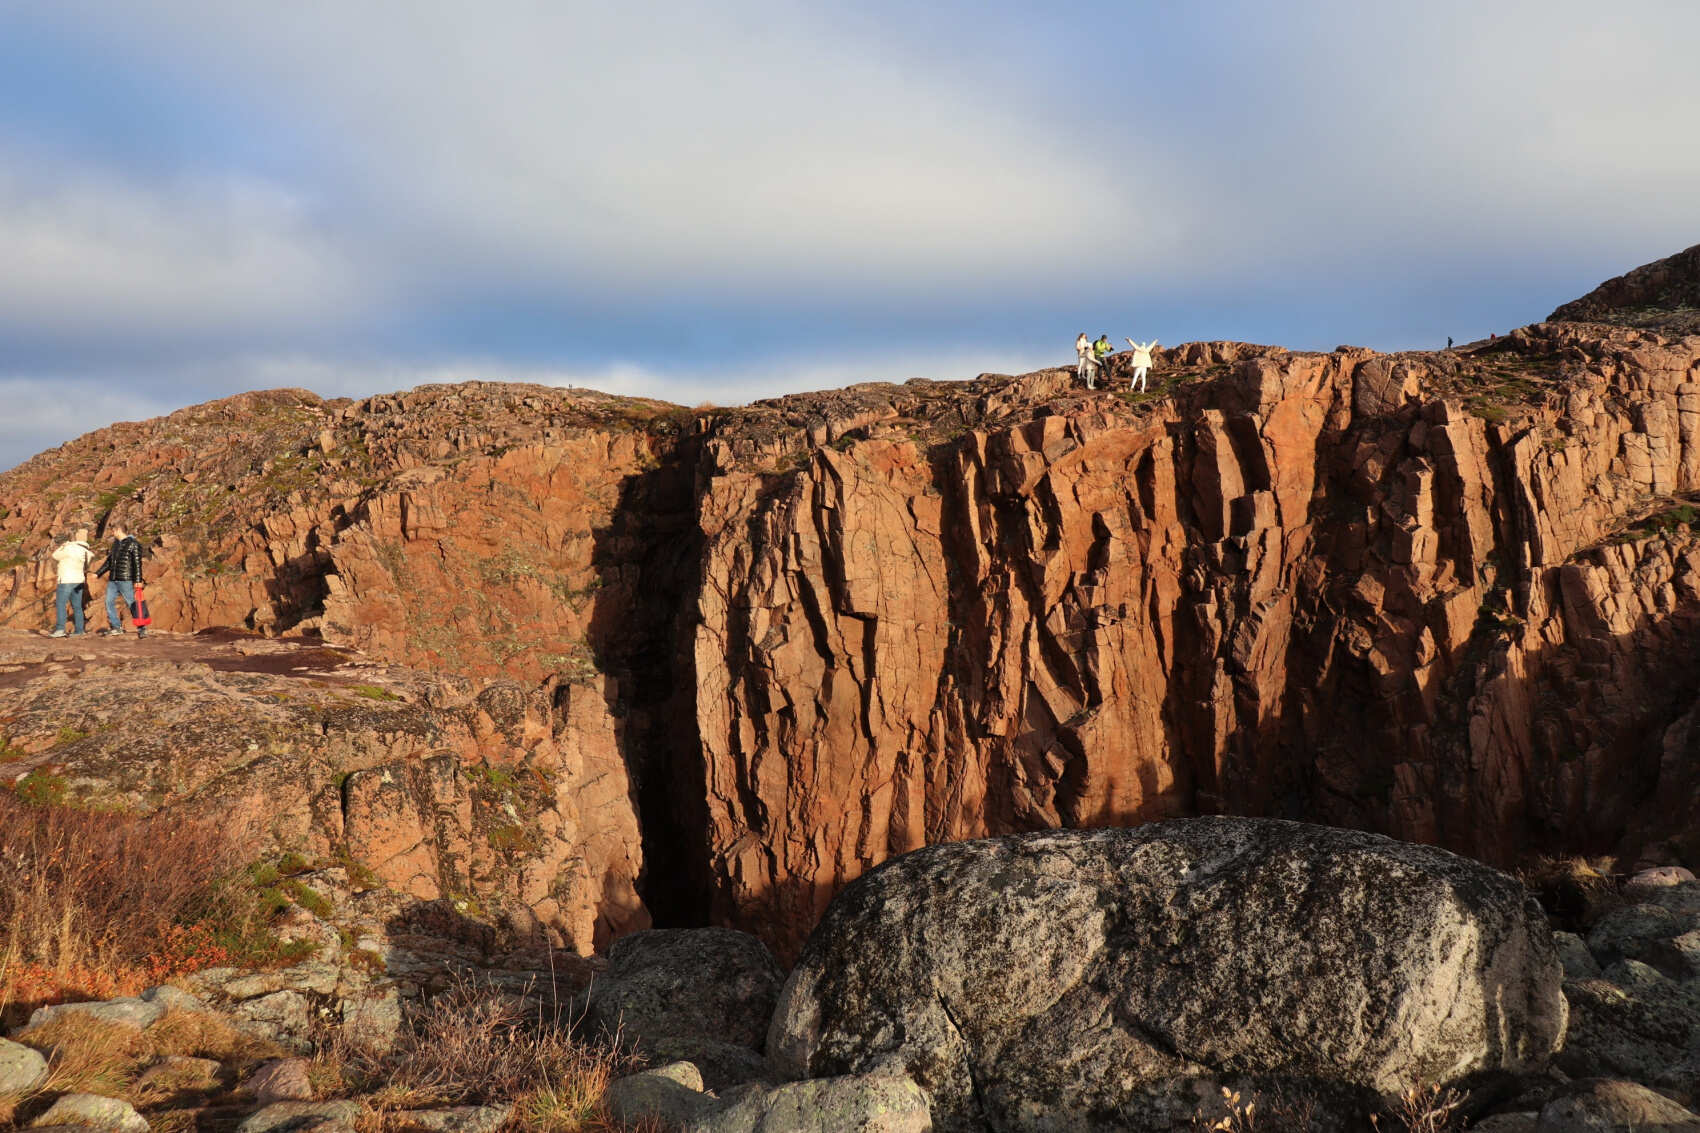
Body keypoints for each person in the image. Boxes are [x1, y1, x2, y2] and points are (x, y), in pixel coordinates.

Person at [95, 522, 147, 638]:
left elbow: (137, 564)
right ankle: (116, 627)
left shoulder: (134, 544)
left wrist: (138, 580)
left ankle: (142, 627)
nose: (112, 533)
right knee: (108, 602)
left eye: (113, 531)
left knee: (132, 603)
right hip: (113, 580)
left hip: (125, 579)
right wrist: (97, 574)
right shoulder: (115, 545)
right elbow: (109, 562)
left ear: (118, 530)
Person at [49, 528, 95, 637]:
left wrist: (63, 545)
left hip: (66, 579)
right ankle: (79, 630)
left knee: (61, 604)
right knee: (77, 606)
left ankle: (60, 629)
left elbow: (55, 555)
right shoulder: (87, 552)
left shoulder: (68, 547)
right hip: (79, 581)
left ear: (77, 537)